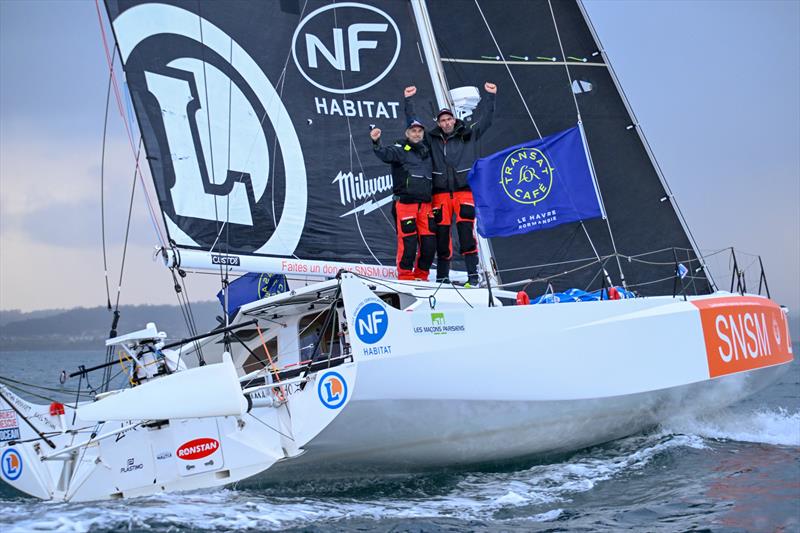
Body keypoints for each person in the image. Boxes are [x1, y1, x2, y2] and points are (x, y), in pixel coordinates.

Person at [404, 82, 497, 285]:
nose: (446, 123)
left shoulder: (468, 134)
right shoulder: (431, 138)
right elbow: (413, 127)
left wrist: (491, 97)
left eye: (448, 119)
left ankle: (473, 277)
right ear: (438, 123)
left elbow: (487, 121)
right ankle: (442, 278)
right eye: (442, 121)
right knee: (442, 238)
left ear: (454, 120)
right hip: (440, 195)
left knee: (466, 235)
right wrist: (408, 101)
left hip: (464, 193)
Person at [370, 118, 436, 281]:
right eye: (413, 131)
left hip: (426, 206)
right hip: (405, 204)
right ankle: (406, 276)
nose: (416, 133)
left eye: (419, 131)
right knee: (408, 243)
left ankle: (422, 276)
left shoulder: (428, 152)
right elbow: (384, 154)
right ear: (407, 133)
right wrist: (376, 141)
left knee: (429, 244)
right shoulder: (400, 148)